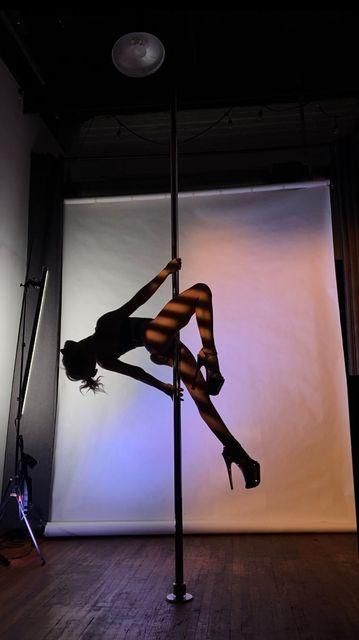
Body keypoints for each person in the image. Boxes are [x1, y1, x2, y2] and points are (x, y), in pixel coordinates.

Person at [61, 259, 260, 490]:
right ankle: (209, 355)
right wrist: (165, 272)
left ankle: (241, 456)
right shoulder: (103, 328)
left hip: (163, 348)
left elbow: (137, 372)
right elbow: (139, 299)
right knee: (200, 292)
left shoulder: (104, 357)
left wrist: (163, 387)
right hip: (155, 336)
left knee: (203, 401)